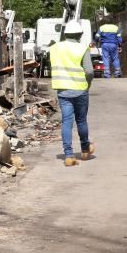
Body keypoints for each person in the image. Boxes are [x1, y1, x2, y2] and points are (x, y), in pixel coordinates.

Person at [49, 20, 95, 166]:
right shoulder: (82, 48)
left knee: (66, 122)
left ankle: (68, 155)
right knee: (81, 120)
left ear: (65, 34)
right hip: (80, 89)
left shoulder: (55, 48)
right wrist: (88, 84)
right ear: (80, 34)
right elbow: (89, 71)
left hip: (63, 90)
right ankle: (85, 150)